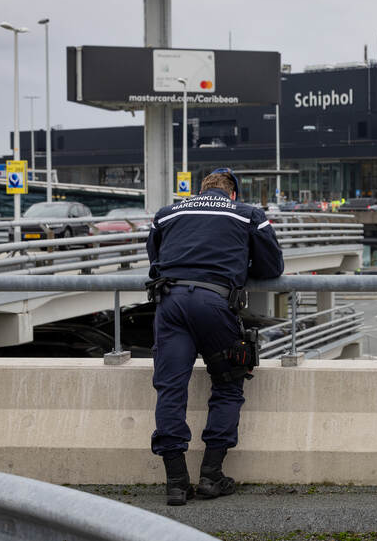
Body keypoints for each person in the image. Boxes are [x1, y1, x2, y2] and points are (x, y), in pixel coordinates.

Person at [146, 168, 284, 506]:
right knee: (227, 383)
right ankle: (211, 475)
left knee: (170, 388)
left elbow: (155, 263)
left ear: (199, 191)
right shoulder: (248, 214)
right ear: (232, 193)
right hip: (215, 303)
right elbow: (271, 268)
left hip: (170, 303)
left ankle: (176, 482)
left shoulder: (166, 214)